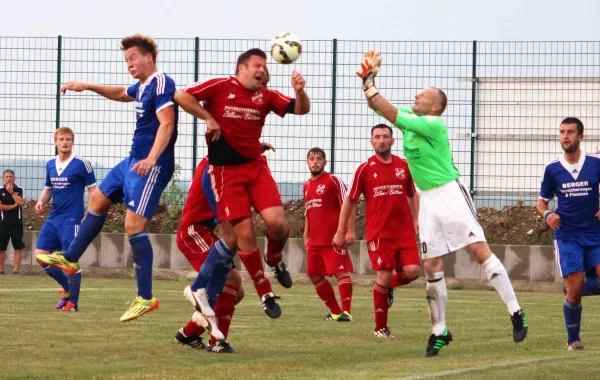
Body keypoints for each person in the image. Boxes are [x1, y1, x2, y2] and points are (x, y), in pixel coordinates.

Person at [355, 51, 528, 356]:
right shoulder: (411, 126)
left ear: (434, 106)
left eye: (423, 94)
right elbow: (378, 108)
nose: (417, 94)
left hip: (449, 192)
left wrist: (371, 85)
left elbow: (388, 111)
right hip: (428, 200)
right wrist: (369, 81)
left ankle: (515, 311)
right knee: (432, 265)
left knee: (478, 252)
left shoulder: (433, 124)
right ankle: (439, 331)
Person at [36, 34, 178, 322]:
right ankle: (70, 256)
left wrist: (151, 159)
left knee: (133, 224)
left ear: (148, 57)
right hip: (131, 161)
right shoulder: (142, 86)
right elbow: (120, 93)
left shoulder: (161, 82)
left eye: (132, 58)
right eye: (126, 60)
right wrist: (87, 86)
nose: (129, 64)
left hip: (152, 164)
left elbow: (168, 123)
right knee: (98, 200)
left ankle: (145, 297)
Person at [174, 48, 310, 322]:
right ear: (242, 67)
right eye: (258, 65)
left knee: (278, 224)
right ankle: (265, 292)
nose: (262, 70)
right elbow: (181, 95)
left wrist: (299, 90)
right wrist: (208, 118)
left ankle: (274, 258)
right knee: (243, 233)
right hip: (226, 173)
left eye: (265, 66)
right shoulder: (221, 85)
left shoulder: (265, 95)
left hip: (255, 167)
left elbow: (301, 109)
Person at [333, 125, 421, 338]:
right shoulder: (364, 169)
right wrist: (340, 230)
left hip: (404, 233)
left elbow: (412, 194)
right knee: (384, 274)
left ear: (392, 141)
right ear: (372, 142)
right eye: (377, 137)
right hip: (379, 233)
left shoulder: (404, 166)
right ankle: (380, 328)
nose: (381, 140)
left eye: (385, 137)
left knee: (412, 271)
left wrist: (417, 219)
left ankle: (386, 288)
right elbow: (350, 200)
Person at [537, 117, 600, 351]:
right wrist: (547, 215)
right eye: (562, 132)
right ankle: (573, 339)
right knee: (574, 290)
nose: (565, 136)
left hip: (596, 235)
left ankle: (589, 284)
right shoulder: (552, 169)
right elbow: (541, 203)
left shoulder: (595, 163)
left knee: (585, 284)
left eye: (570, 132)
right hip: (568, 236)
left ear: (581, 136)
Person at [35, 127, 96, 311]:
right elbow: (48, 188)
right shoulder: (50, 164)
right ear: (55, 142)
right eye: (61, 139)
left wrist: (89, 212)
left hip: (72, 218)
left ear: (72, 141)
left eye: (68, 139)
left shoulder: (81, 164)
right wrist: (41, 201)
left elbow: (93, 190)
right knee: (40, 256)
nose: (65, 142)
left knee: (71, 260)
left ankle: (73, 302)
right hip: (54, 218)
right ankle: (67, 289)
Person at [303, 147, 355, 322]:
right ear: (307, 162)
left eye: (319, 158)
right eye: (311, 158)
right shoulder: (307, 185)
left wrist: (349, 230)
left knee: (341, 272)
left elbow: (348, 204)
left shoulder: (333, 180)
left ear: (325, 162)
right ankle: (335, 311)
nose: (315, 161)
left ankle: (346, 312)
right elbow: (308, 212)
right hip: (315, 241)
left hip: (333, 238)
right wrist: (306, 235)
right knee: (313, 274)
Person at [0, 169, 25, 275]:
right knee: (1, 248)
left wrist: (11, 192)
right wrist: (13, 206)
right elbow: (0, 206)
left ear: (14, 178)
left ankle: (16, 270)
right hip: (3, 224)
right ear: (3, 179)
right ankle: (1, 270)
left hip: (17, 224)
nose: (9, 178)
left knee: (18, 247)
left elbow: (21, 202)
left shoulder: (19, 189)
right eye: (7, 177)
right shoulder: (0, 190)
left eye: (11, 176)